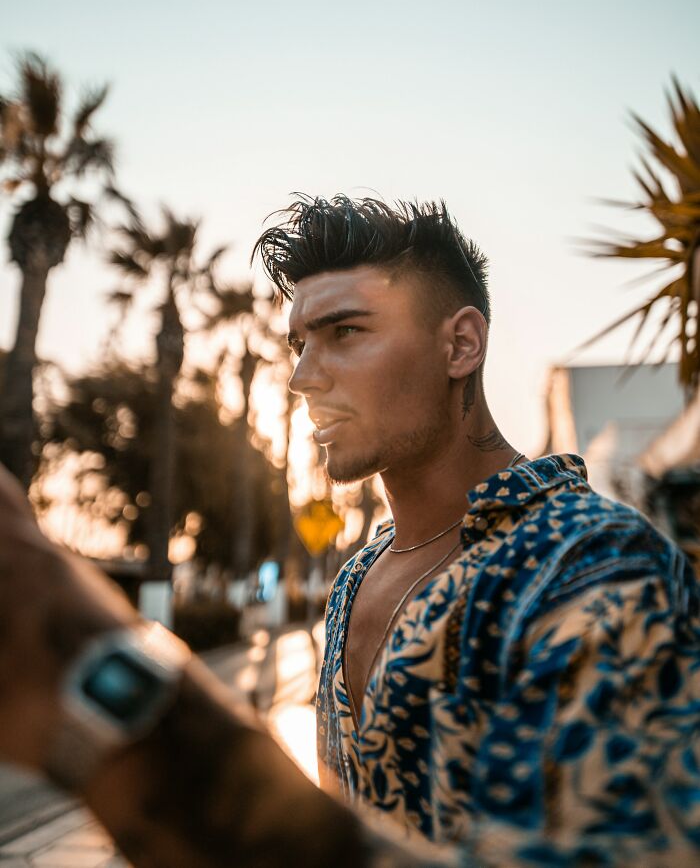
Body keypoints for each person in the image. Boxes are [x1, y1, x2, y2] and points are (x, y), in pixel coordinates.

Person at [0, 195, 696, 868]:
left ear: (460, 344)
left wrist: (102, 677)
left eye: (346, 333)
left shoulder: (595, 564)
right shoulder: (357, 577)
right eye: (299, 344)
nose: (303, 377)